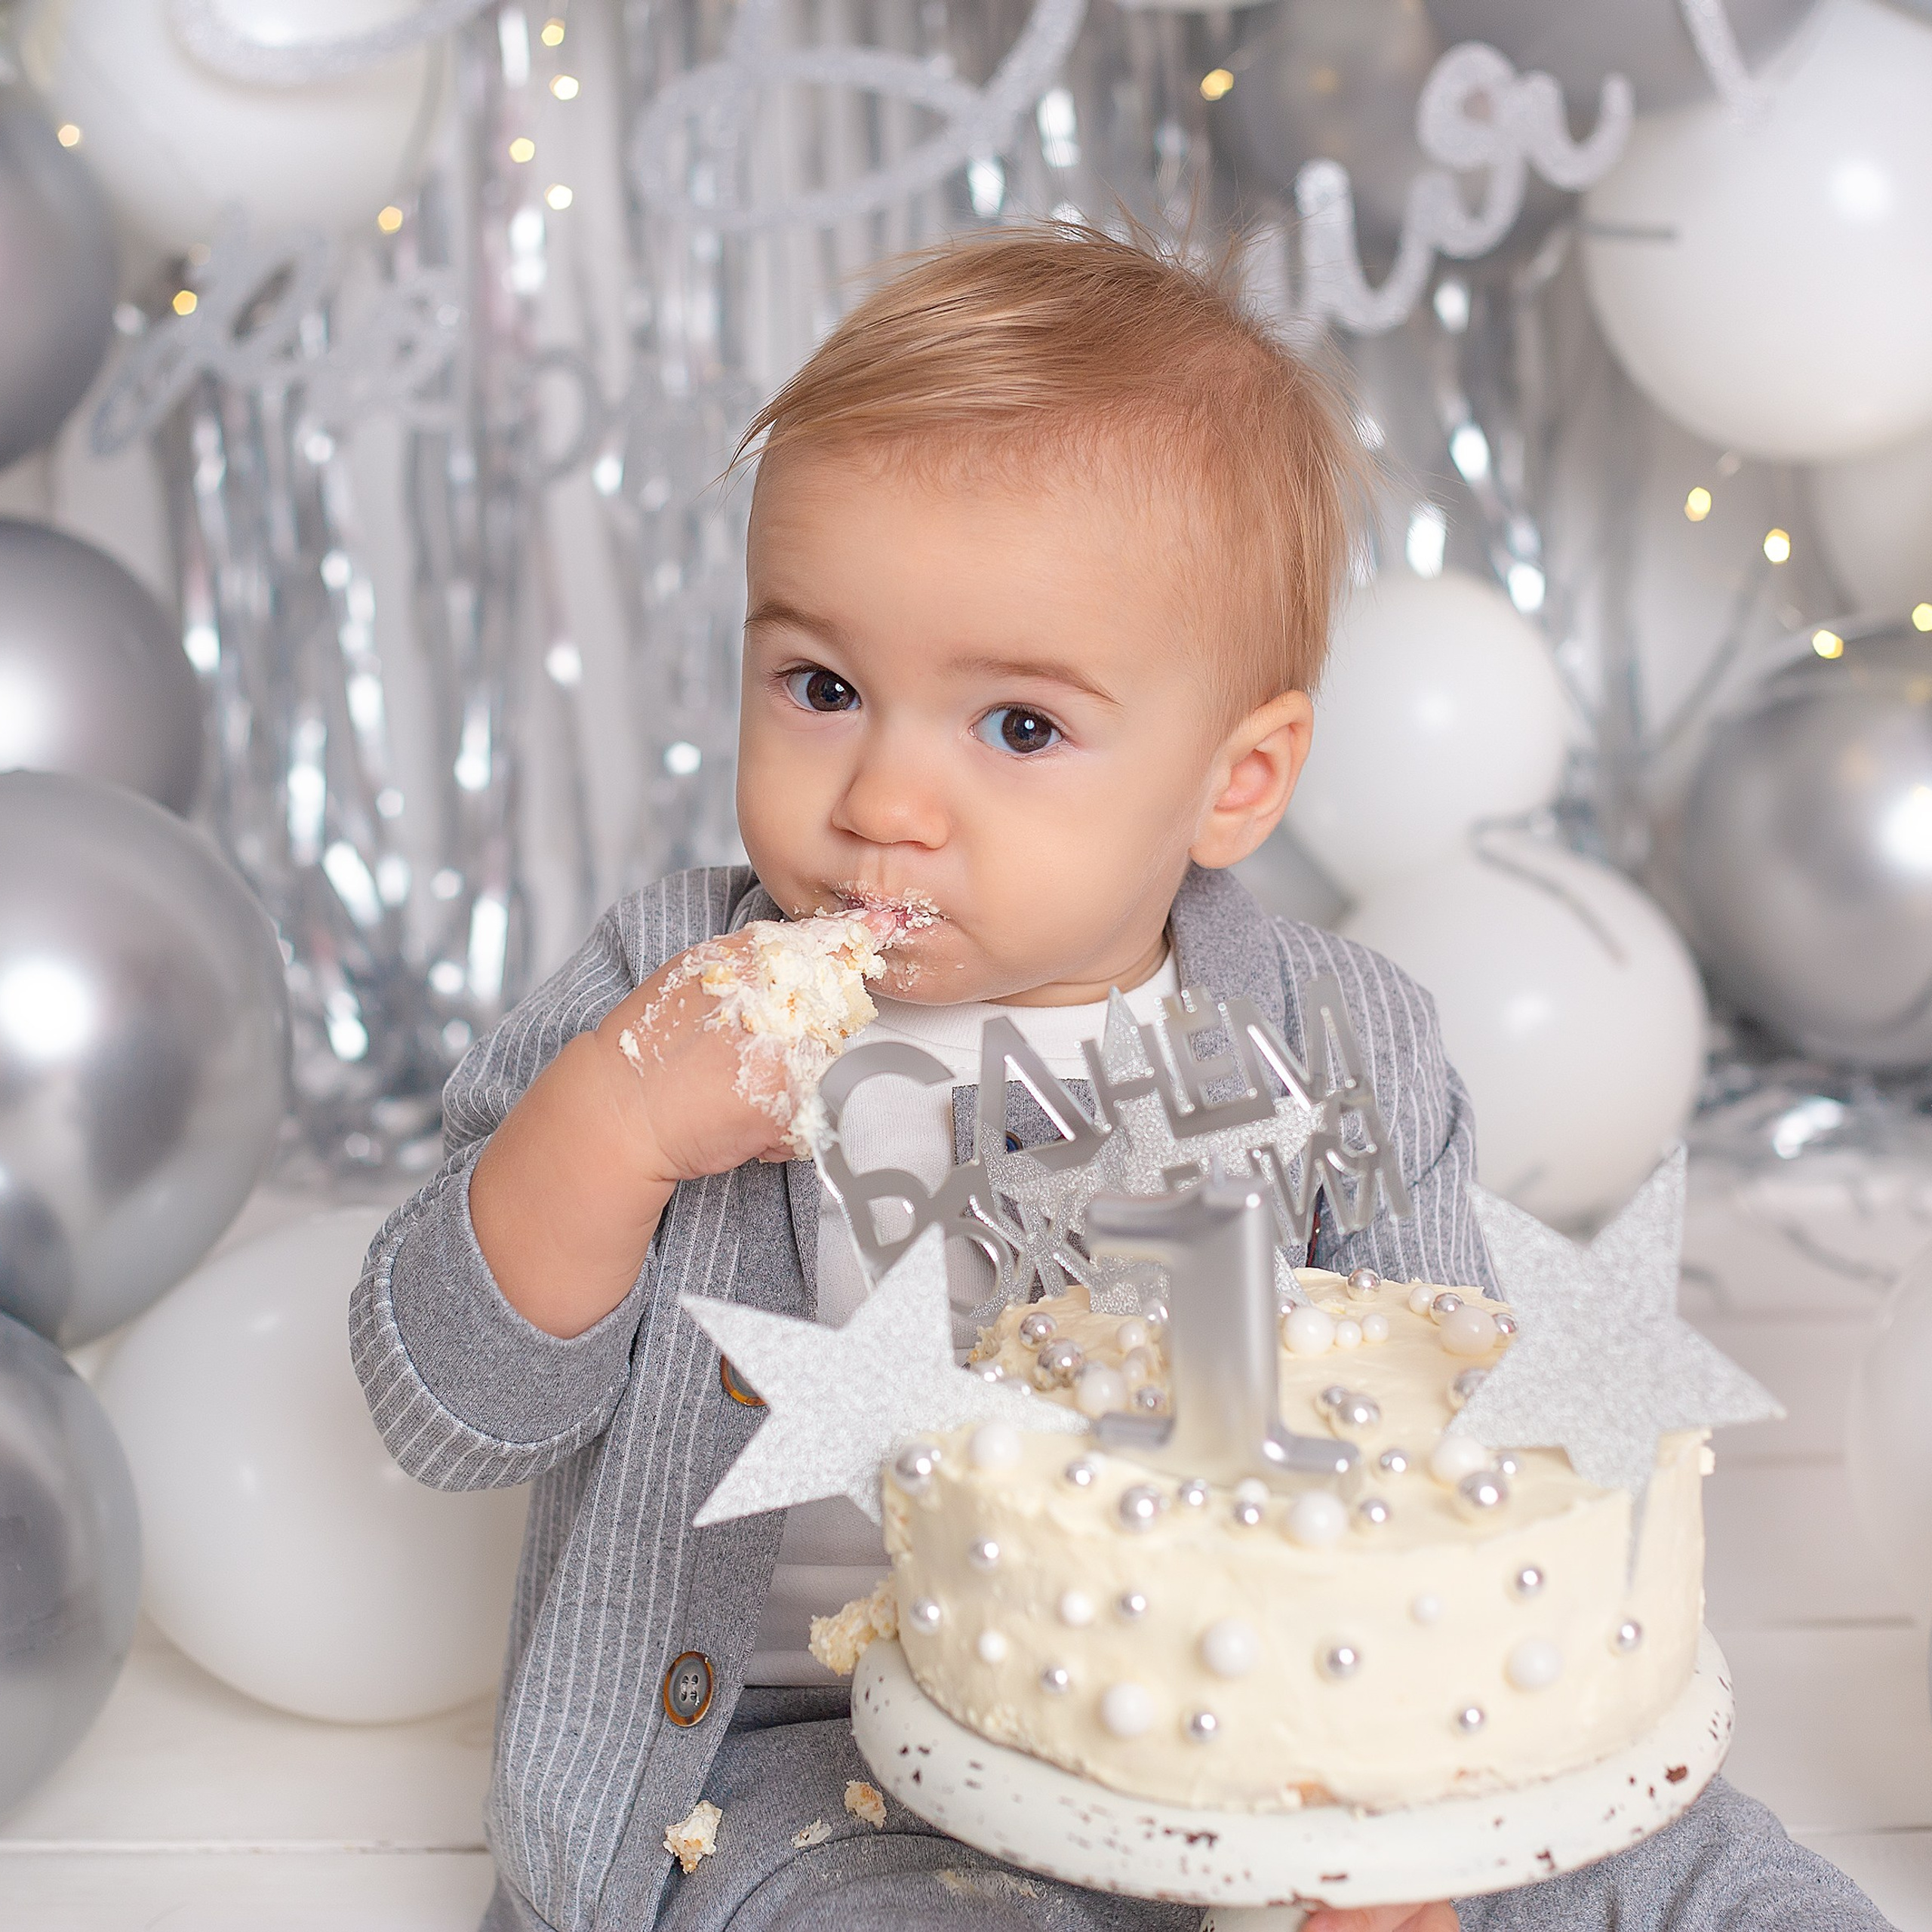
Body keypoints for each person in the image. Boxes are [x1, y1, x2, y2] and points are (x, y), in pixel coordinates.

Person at [351, 225, 1887, 1932]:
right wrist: (615, 1125)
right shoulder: (661, 999)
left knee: (1676, 1860)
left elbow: (1441, 1463)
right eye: (821, 686)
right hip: (796, 1763)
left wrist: (1396, 1839)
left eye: (1017, 727)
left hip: (1269, 1707)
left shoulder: (1336, 1043)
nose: (881, 802)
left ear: (1236, 782)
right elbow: (449, 1411)